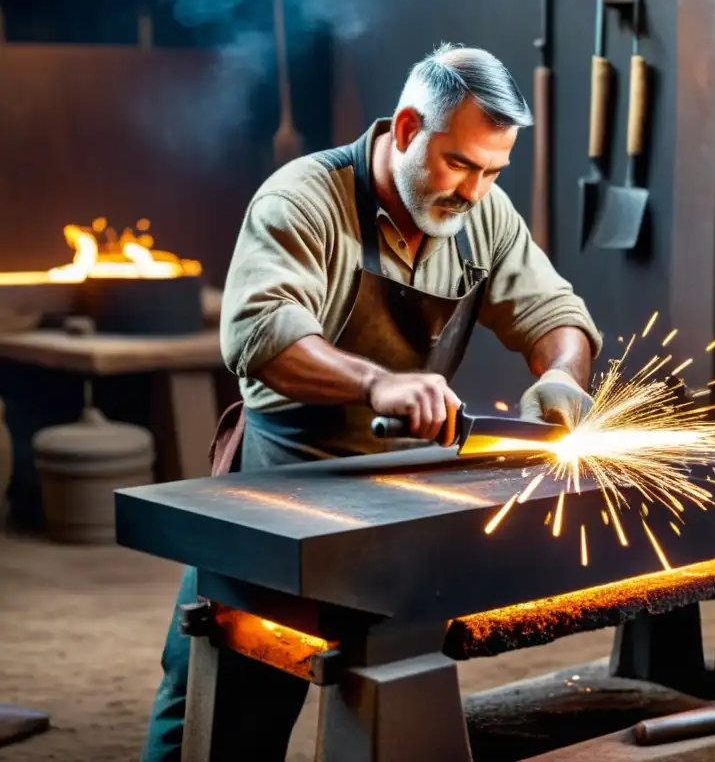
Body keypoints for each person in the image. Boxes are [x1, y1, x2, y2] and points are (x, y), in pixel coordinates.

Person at [140, 43, 602, 759]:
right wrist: (376, 383)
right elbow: (262, 335)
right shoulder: (302, 197)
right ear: (410, 128)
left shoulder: (485, 212)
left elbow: (555, 316)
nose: (475, 191)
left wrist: (563, 378)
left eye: (492, 171)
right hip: (281, 489)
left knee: (398, 690)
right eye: (460, 165)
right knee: (230, 704)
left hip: (401, 499)